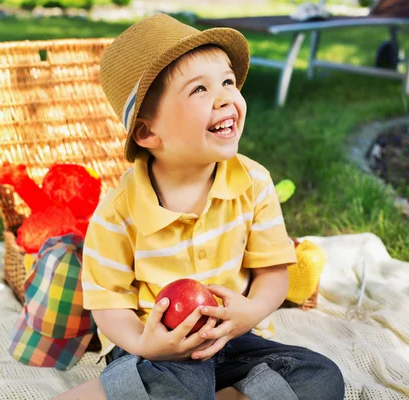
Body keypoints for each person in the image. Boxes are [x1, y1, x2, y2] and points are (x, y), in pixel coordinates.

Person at [54, 13, 345, 400]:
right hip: (160, 352)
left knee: (320, 376)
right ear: (147, 131)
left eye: (227, 81)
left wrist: (250, 312)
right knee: (177, 382)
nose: (225, 96)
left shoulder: (253, 183)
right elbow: (109, 306)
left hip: (234, 339)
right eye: (199, 90)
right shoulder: (119, 212)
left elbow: (274, 274)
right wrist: (146, 344)